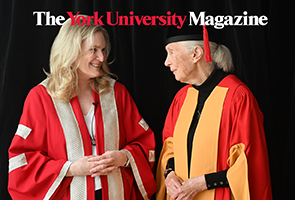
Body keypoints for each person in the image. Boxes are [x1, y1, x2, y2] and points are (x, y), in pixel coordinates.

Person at [8, 15, 156, 200]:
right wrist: (71, 169)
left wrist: (124, 157)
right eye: (93, 50)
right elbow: (22, 159)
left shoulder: (116, 93)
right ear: (71, 50)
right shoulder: (42, 97)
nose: (101, 58)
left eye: (103, 50)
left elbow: (144, 144)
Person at [156, 24, 272, 200]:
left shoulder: (237, 97)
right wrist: (170, 175)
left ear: (196, 54)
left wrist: (202, 183)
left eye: (171, 52)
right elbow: (170, 147)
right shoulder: (182, 98)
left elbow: (249, 164)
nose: (166, 61)